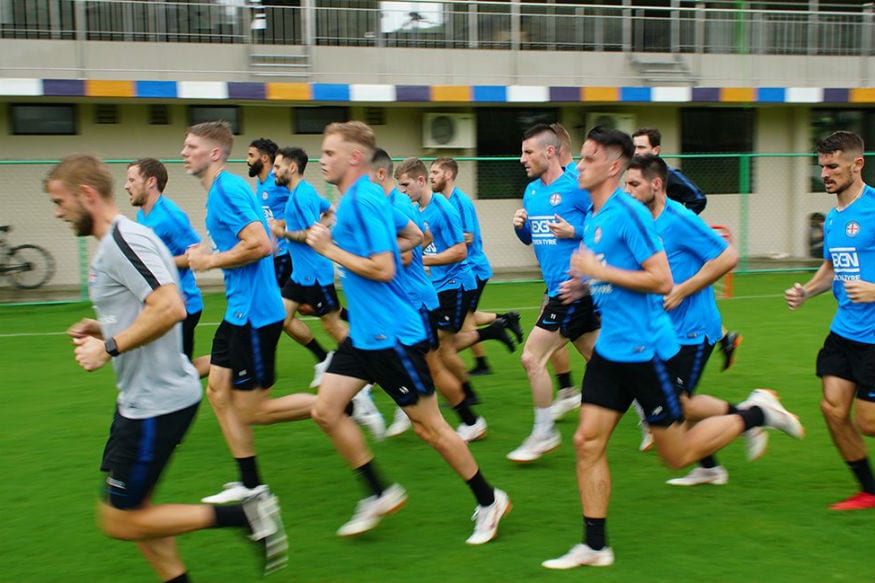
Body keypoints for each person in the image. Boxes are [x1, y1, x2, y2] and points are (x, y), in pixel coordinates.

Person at [542, 127, 804, 569]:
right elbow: (611, 273)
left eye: (586, 159)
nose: (578, 166)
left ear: (612, 165)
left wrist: (596, 269)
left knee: (676, 454)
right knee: (587, 443)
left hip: (647, 351)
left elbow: (661, 281)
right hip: (612, 349)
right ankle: (594, 545)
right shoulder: (598, 214)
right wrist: (583, 284)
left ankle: (756, 413)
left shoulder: (630, 214)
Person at [46, 153, 287, 580]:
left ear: (86, 195)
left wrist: (109, 347)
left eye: (60, 202)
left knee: (118, 520)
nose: (58, 212)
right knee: (139, 512)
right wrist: (103, 327)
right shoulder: (118, 240)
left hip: (156, 403)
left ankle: (245, 517)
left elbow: (170, 306)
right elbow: (147, 301)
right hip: (140, 399)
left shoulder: (125, 239)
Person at [307, 121, 510, 544]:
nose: (322, 159)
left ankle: (490, 500)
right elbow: (413, 236)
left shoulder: (364, 201)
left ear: (355, 158)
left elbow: (381, 268)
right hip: (364, 336)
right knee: (325, 409)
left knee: (430, 428)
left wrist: (331, 250)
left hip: (391, 337)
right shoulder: (355, 201)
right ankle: (379, 492)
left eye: (329, 153)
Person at [182, 122, 316, 505]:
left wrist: (209, 261)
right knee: (217, 392)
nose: (183, 152)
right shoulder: (225, 190)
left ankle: (342, 400)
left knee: (254, 409)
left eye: (191, 146)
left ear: (214, 153)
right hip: (239, 311)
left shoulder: (226, 190)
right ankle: (252, 484)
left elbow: (260, 245)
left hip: (256, 313)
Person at [625, 154, 769, 486]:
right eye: (625, 185)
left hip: (692, 330)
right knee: (667, 402)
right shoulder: (641, 221)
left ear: (656, 184)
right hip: (662, 330)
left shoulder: (679, 218)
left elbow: (727, 256)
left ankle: (754, 414)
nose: (628, 192)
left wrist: (681, 290)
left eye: (634, 184)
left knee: (679, 405)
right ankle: (710, 466)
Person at [393, 156, 516, 441]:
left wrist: (427, 258)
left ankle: (467, 409)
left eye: (405, 185)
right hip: (437, 286)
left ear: (420, 181)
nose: (402, 191)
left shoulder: (444, 208)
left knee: (439, 352)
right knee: (436, 350)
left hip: (456, 284)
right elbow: (422, 236)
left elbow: (461, 251)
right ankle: (490, 335)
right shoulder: (417, 208)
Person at [785, 130, 875, 510]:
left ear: (857, 164)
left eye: (833, 166)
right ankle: (869, 491)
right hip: (845, 330)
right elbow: (831, 269)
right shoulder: (834, 219)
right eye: (821, 166)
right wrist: (807, 290)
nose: (825, 173)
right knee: (832, 409)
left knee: (869, 421)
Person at [269, 146, 385, 440]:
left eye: (278, 166)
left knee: (332, 324)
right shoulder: (300, 195)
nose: (274, 171)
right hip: (300, 273)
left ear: (292, 168)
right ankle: (324, 359)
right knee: (281, 318)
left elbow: (310, 235)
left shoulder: (303, 195)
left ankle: (370, 367)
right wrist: (290, 226)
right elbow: (328, 212)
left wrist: (282, 233)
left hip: (315, 273)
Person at [508, 123, 600, 463]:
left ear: (550, 152)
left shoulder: (579, 186)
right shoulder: (532, 192)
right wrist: (522, 228)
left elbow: (603, 225)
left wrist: (575, 229)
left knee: (532, 357)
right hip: (556, 288)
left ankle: (544, 432)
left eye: (527, 152)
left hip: (574, 289)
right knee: (604, 358)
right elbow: (534, 240)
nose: (522, 159)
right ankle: (655, 410)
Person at [248, 137, 334, 387]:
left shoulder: (292, 191)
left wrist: (282, 231)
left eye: (251, 155)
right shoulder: (264, 184)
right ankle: (324, 357)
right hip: (292, 264)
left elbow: (306, 218)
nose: (247, 159)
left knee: (273, 311)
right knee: (288, 313)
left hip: (289, 257)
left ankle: (360, 362)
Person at [430, 157, 523, 377]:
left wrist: (438, 242)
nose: (431, 176)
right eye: (430, 172)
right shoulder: (445, 201)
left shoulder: (458, 201)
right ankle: (502, 325)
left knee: (463, 323)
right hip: (463, 270)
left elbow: (468, 237)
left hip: (472, 269)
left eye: (435, 172)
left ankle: (481, 356)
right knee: (467, 318)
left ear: (449, 175)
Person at [125, 157, 210, 378]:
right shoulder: (142, 214)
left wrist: (159, 262)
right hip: (162, 305)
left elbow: (199, 251)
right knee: (169, 370)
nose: (126, 186)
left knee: (177, 374)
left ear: (150, 181)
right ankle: (230, 359)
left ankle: (231, 359)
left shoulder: (169, 217)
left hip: (183, 306)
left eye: (132, 180)